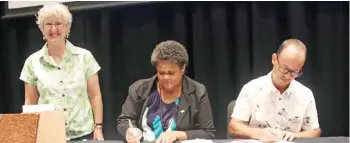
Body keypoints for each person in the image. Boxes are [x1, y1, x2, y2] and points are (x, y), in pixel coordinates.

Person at [19, 3, 104, 141]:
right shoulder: (32, 62)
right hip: (48, 135)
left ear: (67, 27)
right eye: (48, 24)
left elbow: (95, 96)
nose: (54, 29)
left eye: (58, 23)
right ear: (42, 29)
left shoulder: (84, 57)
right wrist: (28, 134)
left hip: (83, 134)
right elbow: (30, 102)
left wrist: (98, 128)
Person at [116, 40, 215, 143]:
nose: (166, 77)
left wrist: (177, 135)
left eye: (171, 73)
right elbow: (124, 120)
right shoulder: (139, 89)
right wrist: (129, 131)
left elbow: (208, 132)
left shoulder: (197, 92)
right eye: (161, 73)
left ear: (183, 69)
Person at [228, 39, 321, 142]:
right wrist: (258, 133)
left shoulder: (305, 94)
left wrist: (295, 135)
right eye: (284, 69)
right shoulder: (251, 89)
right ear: (274, 59)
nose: (287, 76)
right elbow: (233, 126)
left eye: (294, 72)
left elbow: (315, 131)